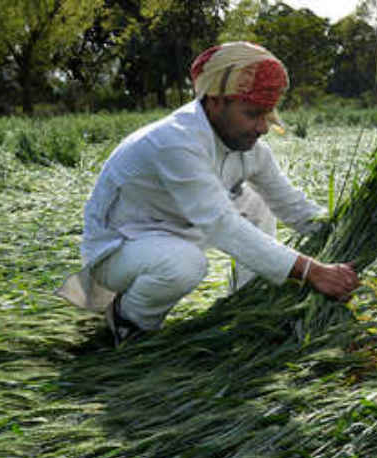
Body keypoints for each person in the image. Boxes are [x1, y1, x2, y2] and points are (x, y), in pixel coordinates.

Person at [56, 41, 358, 346]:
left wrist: (348, 228)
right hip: (121, 249)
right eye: (252, 113)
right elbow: (221, 225)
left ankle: (247, 305)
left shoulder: (250, 149)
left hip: (175, 233)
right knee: (185, 265)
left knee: (258, 202)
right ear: (214, 101)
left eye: (267, 114)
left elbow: (291, 205)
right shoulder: (175, 141)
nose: (263, 127)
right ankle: (128, 322)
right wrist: (313, 271)